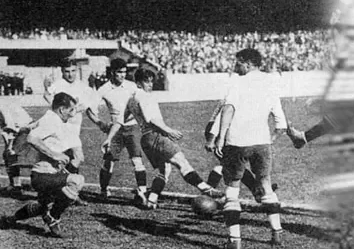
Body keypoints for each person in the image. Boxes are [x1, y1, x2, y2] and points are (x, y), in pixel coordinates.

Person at [205, 48, 287, 249]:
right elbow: (281, 122)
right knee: (266, 186)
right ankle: (277, 232)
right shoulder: (271, 82)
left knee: (232, 189)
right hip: (262, 143)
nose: (235, 67)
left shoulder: (238, 82)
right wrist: (269, 139)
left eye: (238, 63)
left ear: (248, 64)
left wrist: (220, 138)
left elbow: (228, 108)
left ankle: (235, 241)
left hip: (237, 142)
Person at [124, 68, 223, 210]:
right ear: (138, 83)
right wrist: (169, 130)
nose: (150, 85)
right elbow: (150, 119)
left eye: (151, 82)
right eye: (146, 82)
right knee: (182, 163)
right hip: (156, 136)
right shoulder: (144, 96)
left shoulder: (131, 99)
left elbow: (125, 117)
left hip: (146, 139)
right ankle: (206, 189)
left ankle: (151, 199)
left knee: (165, 170)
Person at [0, 92, 85, 238]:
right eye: (71, 110)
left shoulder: (59, 122)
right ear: (62, 109)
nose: (73, 114)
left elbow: (79, 156)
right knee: (77, 181)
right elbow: (32, 138)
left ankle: (11, 220)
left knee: (42, 205)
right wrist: (54, 155)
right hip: (41, 175)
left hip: (53, 174)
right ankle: (53, 217)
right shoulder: (50, 121)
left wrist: (71, 162)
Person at [43, 58, 108, 205]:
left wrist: (99, 123)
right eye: (67, 71)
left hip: (74, 130)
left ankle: (67, 192)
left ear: (77, 71)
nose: (70, 74)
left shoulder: (83, 87)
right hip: (60, 129)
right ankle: (66, 192)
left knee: (71, 161)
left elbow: (88, 109)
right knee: (74, 158)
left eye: (73, 71)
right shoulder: (58, 86)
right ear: (62, 72)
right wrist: (47, 90)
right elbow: (49, 100)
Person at [95, 58, 147, 203]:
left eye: (124, 72)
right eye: (119, 72)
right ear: (112, 72)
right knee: (109, 161)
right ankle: (104, 190)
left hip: (132, 127)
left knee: (137, 160)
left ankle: (142, 192)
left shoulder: (132, 86)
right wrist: (99, 123)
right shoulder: (104, 89)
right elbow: (90, 108)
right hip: (115, 129)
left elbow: (143, 101)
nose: (122, 75)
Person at [0, 96, 39, 198]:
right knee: (9, 155)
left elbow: (10, 125)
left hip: (26, 128)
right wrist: (7, 144)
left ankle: (16, 187)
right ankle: (15, 185)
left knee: (11, 154)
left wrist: (10, 146)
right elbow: (4, 127)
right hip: (22, 129)